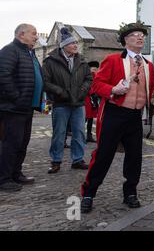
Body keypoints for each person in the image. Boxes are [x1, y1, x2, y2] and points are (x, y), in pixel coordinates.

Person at [80, 22, 154, 213]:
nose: (140, 37)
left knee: (134, 157)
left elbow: (152, 87)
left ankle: (130, 192)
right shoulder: (113, 60)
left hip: (135, 117)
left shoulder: (148, 65)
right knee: (104, 155)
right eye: (135, 35)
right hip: (114, 114)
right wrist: (113, 89)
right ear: (126, 40)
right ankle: (89, 193)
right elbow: (97, 85)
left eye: (142, 35)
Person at [42, 27, 92, 174]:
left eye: (76, 43)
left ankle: (77, 159)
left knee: (79, 133)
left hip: (78, 103)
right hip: (60, 103)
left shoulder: (82, 60)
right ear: (64, 46)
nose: (76, 45)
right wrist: (62, 93)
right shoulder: (50, 61)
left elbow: (88, 79)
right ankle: (56, 161)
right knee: (59, 133)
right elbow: (46, 82)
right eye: (72, 43)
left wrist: (82, 92)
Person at [0, 24, 43, 192]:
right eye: (33, 33)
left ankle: (16, 173)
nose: (36, 37)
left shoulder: (28, 52)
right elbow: (3, 75)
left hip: (27, 107)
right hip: (14, 108)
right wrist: (16, 97)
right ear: (21, 34)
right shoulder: (10, 50)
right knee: (11, 144)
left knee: (22, 143)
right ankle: (3, 179)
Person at [85, 61, 100, 143]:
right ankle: (80, 136)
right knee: (85, 118)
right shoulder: (86, 75)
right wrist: (92, 92)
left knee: (90, 118)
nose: (94, 70)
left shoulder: (96, 75)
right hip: (87, 98)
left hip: (93, 99)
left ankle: (89, 135)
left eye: (96, 69)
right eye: (93, 68)